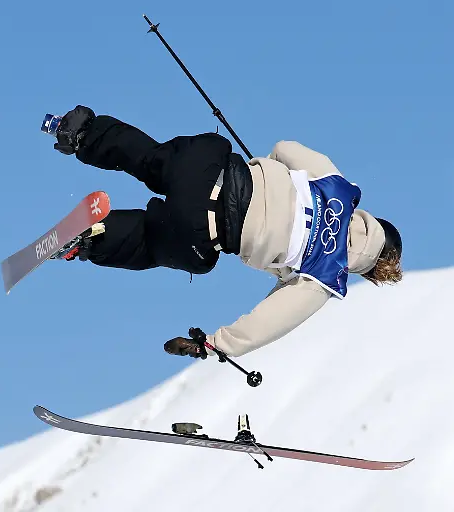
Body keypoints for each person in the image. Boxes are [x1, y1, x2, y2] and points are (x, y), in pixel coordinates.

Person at [51, 105, 403, 360]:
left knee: (152, 159)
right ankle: (92, 238)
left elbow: (285, 148)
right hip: (201, 228)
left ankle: (84, 133)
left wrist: (268, 176)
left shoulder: (338, 187)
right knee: (152, 241)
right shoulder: (327, 274)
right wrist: (213, 344)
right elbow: (270, 321)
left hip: (210, 167)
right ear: (370, 269)